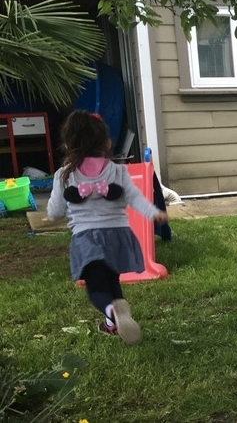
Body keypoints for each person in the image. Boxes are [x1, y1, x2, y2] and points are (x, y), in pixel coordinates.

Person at [46, 110, 168, 345]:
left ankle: (112, 313)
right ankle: (114, 322)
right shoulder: (118, 171)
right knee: (111, 280)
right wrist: (154, 213)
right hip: (118, 235)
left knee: (96, 288)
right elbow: (135, 198)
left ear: (68, 143)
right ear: (107, 143)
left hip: (87, 238)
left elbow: (54, 211)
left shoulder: (64, 175)